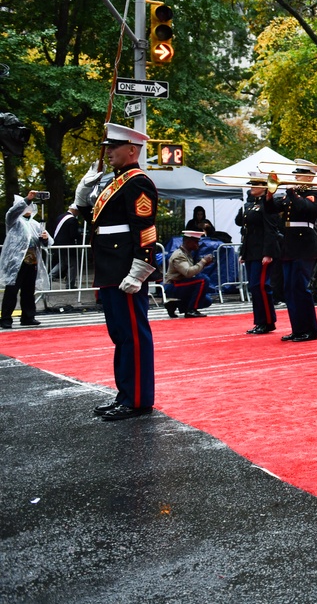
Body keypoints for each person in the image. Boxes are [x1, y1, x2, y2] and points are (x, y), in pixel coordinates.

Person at [87, 123, 159, 421]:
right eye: (108, 147)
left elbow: (146, 230)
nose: (109, 152)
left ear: (132, 150)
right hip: (109, 265)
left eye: (113, 147)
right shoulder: (115, 182)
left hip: (124, 267)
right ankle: (125, 394)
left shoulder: (138, 182)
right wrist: (84, 197)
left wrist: (140, 268)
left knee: (133, 335)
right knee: (120, 335)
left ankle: (138, 398)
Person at [266, 166, 317, 342]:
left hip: (305, 245)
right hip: (290, 246)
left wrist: (291, 191)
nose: (296, 177)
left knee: (301, 288)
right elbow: (270, 209)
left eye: (301, 175)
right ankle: (297, 328)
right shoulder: (289, 196)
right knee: (289, 289)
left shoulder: (314, 194)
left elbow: (305, 208)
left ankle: (311, 329)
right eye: (296, 174)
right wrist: (269, 193)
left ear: (310, 178)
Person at [236, 173, 280, 334]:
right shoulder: (250, 205)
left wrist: (268, 253)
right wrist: (243, 252)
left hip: (262, 251)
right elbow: (245, 229)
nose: (251, 187)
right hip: (252, 251)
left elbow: (271, 231)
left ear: (263, 188)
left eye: (255, 185)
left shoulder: (267, 205)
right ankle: (260, 320)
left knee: (261, 286)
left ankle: (268, 321)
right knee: (254, 287)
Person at [1, 192, 49, 328]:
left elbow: (46, 242)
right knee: (12, 290)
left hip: (32, 261)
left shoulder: (35, 224)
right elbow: (13, 212)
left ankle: (28, 316)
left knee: (28, 291)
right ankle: (5, 318)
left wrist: (44, 238)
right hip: (16, 261)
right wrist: (28, 199)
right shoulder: (13, 221)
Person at [164, 231, 214, 317]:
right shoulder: (179, 255)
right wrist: (203, 262)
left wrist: (204, 265)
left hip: (182, 284)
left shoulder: (186, 253)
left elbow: (191, 273)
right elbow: (188, 273)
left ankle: (174, 305)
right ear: (188, 242)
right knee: (203, 280)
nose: (198, 244)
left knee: (206, 301)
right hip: (173, 285)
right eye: (195, 242)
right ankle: (191, 310)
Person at [47, 204, 80, 288]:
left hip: (58, 244)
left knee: (62, 263)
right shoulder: (72, 220)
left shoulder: (60, 217)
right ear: (75, 211)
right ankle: (70, 284)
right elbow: (73, 235)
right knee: (72, 265)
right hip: (68, 246)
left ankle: (49, 277)